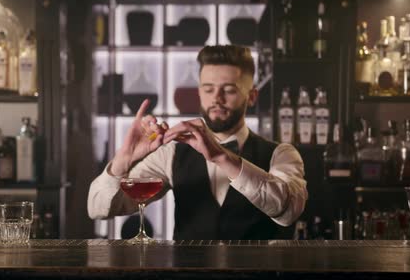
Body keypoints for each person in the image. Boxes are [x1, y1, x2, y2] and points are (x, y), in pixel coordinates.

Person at [87, 45, 307, 240]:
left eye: (229, 90)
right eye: (208, 89)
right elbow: (97, 208)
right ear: (199, 92)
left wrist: (222, 157)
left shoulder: (282, 154)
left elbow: (288, 212)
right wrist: (123, 161)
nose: (216, 98)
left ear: (251, 97)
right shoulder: (171, 154)